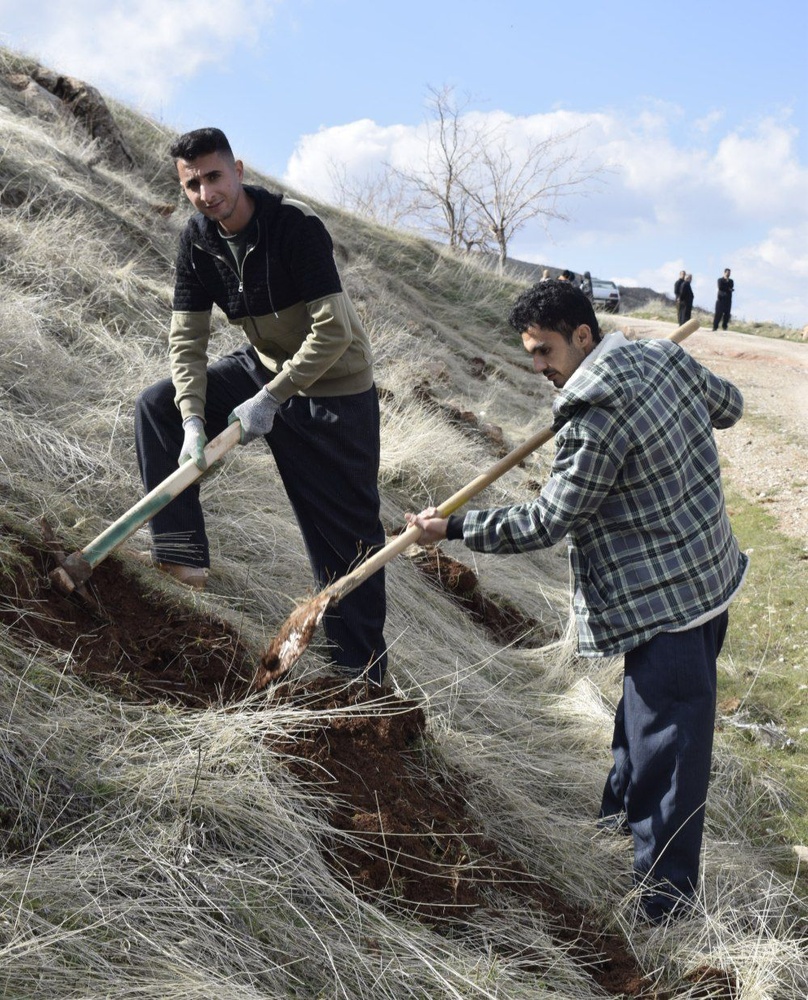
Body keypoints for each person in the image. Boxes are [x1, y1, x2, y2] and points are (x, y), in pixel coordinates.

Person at [406, 280, 748, 922]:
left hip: (665, 608)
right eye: (531, 355)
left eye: (544, 352)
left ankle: (664, 909)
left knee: (669, 760)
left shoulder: (594, 417)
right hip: (711, 580)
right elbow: (727, 408)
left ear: (584, 337)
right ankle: (615, 827)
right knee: (644, 727)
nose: (538, 367)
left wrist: (452, 528)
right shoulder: (662, 357)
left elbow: (544, 521)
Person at [135, 127, 387, 684]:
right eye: (192, 183)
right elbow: (187, 341)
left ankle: (360, 676)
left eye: (214, 176)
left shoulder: (294, 227)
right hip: (267, 366)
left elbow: (335, 332)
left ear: (239, 170)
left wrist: (270, 400)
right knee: (157, 405)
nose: (206, 193)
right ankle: (182, 561)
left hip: (334, 390)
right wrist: (194, 419)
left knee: (346, 541)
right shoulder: (198, 241)